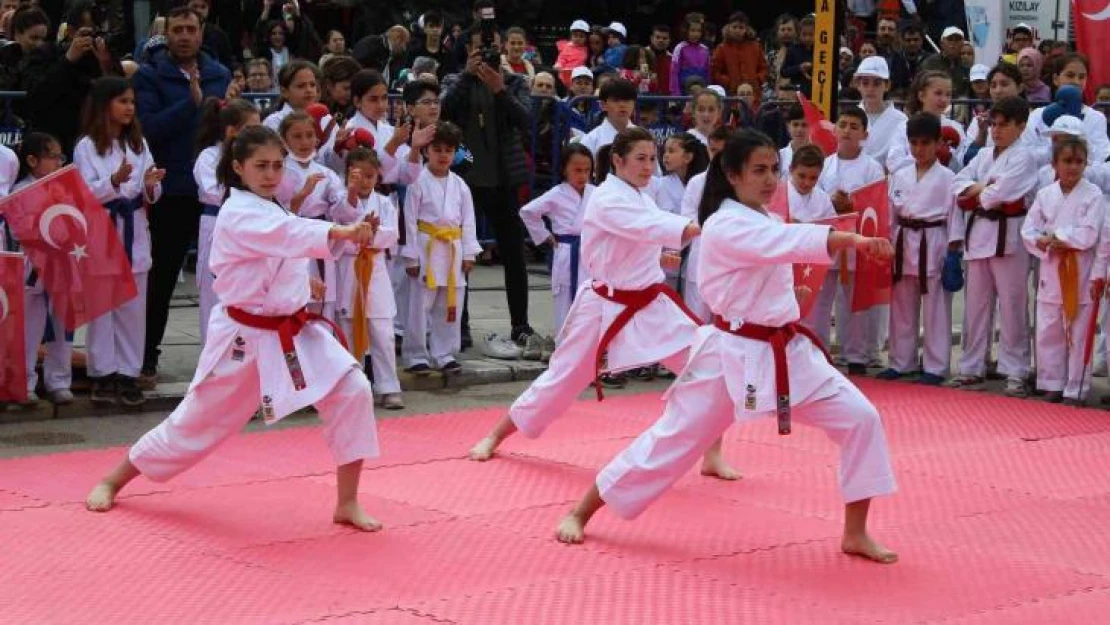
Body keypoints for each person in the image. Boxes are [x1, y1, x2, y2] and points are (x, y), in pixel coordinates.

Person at [553, 129, 898, 565]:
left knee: (861, 419)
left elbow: (784, 238)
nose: (771, 180)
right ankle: (581, 511)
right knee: (670, 441)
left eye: (775, 169)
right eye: (759, 170)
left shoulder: (767, 220)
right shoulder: (724, 225)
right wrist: (851, 240)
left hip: (786, 351)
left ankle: (855, 533)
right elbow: (784, 244)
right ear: (732, 175)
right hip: (730, 355)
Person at [84, 125, 384, 533]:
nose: (271, 173)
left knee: (354, 390)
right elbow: (284, 236)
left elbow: (281, 249)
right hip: (244, 337)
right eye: (261, 166)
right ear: (239, 168)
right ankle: (113, 479)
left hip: (292, 330)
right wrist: (339, 230)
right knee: (195, 423)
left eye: (278, 165)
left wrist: (301, 282)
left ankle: (347, 501)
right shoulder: (238, 211)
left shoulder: (273, 207)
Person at [468, 127, 739, 482]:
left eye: (652, 159)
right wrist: (697, 229)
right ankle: (495, 436)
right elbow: (650, 225)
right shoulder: (608, 199)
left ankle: (711, 453)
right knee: (561, 380)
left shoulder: (640, 193)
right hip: (603, 307)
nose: (648, 167)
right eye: (640, 159)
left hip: (650, 304)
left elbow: (656, 225)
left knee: (709, 366)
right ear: (617, 160)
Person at [135, 6, 231, 388]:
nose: (185, 35)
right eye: (178, 29)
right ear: (166, 33)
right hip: (172, 189)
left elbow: (225, 129)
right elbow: (148, 129)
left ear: (202, 33)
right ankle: (146, 359)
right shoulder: (149, 75)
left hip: (216, 194)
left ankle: (223, 360)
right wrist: (190, 103)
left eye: (191, 29)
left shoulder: (218, 74)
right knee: (161, 279)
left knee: (222, 282)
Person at [74, 77, 166, 407]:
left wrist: (152, 185)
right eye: (122, 101)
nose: (129, 107)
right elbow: (83, 192)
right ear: (104, 105)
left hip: (135, 228)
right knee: (103, 308)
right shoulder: (87, 146)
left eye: (131, 102)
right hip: (102, 229)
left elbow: (149, 189)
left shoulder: (138, 146)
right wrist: (112, 182)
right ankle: (103, 374)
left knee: (132, 307)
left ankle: (128, 373)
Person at [441, 27, 535, 345]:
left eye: (493, 49)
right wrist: (469, 77)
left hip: (504, 178)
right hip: (466, 179)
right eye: (481, 50)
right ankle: (461, 327)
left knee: (513, 253)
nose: (488, 56)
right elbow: (443, 111)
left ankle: (520, 324)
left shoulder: (514, 82)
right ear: (468, 50)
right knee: (463, 255)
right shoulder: (456, 82)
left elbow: (526, 120)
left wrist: (500, 90)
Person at [948, 96, 1038, 396]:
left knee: (1012, 306)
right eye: (994, 125)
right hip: (979, 235)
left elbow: (1002, 194)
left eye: (1004, 125)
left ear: (1021, 127)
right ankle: (972, 365)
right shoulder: (985, 155)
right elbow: (958, 185)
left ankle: (1016, 370)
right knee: (976, 306)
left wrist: (979, 192)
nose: (997, 131)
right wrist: (983, 190)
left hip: (1008, 238)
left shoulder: (1024, 157)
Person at [878, 113, 962, 384]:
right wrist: (886, 244)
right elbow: (890, 213)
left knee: (936, 307)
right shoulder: (900, 175)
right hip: (903, 241)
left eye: (925, 143)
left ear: (938, 142)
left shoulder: (949, 177)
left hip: (934, 241)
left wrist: (953, 252)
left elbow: (954, 216)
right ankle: (901, 362)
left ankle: (936, 366)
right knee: (902, 305)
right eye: (913, 143)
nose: (919, 149)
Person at [1023, 136, 1104, 404]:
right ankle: (1052, 383)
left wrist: (1057, 236)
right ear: (1054, 164)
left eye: (1079, 162)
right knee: (1049, 329)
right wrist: (1042, 241)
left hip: (1080, 269)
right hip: (1051, 267)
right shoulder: (1046, 194)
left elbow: (1090, 232)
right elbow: (1028, 229)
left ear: (1086, 164)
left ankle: (1075, 388)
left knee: (1078, 332)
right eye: (1067, 161)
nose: (1073, 167)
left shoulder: (1093, 195)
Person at [400, 121, 481, 374]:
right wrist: (411, 257)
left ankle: (444, 353)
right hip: (427, 245)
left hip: (453, 247)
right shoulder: (417, 182)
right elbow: (409, 220)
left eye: (449, 150)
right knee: (419, 305)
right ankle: (415, 355)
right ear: (426, 151)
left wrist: (469, 252)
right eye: (438, 149)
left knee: (450, 303)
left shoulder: (460, 185)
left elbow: (469, 220)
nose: (443, 155)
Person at [7, 132, 73, 407]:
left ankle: (58, 381)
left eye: (61, 156)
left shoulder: (66, 188)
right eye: (53, 156)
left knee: (63, 325)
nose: (58, 162)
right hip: (32, 266)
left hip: (62, 265)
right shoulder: (19, 191)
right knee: (29, 328)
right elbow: (17, 229)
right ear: (32, 160)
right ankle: (26, 382)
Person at [336, 147, 404, 410]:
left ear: (378, 176)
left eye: (369, 175)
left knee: (382, 332)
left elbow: (391, 235)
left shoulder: (385, 203)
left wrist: (371, 234)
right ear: (347, 175)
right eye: (357, 175)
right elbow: (339, 227)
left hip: (374, 268)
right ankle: (353, 387)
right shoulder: (340, 200)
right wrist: (359, 228)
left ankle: (388, 387)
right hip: (348, 268)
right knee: (348, 329)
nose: (364, 181)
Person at [818, 107, 885, 375]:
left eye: (853, 126)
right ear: (834, 130)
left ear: (864, 134)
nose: (847, 130)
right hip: (828, 239)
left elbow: (877, 202)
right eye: (842, 125)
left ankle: (855, 354)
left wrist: (852, 203)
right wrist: (830, 203)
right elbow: (812, 197)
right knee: (822, 301)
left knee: (854, 301)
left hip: (857, 240)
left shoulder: (872, 167)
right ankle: (819, 351)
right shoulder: (824, 165)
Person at [193, 98, 261, 345]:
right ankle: (211, 360)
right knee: (214, 294)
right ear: (232, 131)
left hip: (247, 227)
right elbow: (214, 191)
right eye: (251, 128)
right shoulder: (209, 156)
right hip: (217, 222)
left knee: (243, 292)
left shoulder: (253, 157)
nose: (257, 134)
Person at [518, 144, 595, 340]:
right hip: (566, 251)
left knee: (590, 301)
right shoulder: (557, 193)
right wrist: (545, 235)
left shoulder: (595, 193)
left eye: (587, 170)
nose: (583, 175)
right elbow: (527, 212)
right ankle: (563, 347)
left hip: (589, 252)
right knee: (565, 300)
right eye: (577, 170)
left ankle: (587, 347)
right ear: (564, 169)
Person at [681, 126, 735, 321]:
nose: (718, 156)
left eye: (723, 151)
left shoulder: (740, 182)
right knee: (697, 321)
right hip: (702, 256)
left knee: (728, 324)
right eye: (713, 150)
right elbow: (687, 218)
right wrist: (713, 231)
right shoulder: (697, 182)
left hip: (730, 260)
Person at [1021, 54, 1110, 168]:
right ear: (1056, 79)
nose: (1076, 82)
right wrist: (1055, 145)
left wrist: (1078, 140)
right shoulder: (1037, 115)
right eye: (1070, 75)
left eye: (1082, 77)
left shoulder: (1096, 117)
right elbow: (1026, 154)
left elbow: (1102, 157)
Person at [886, 71, 967, 174]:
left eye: (948, 94)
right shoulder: (904, 127)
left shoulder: (955, 128)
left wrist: (950, 157)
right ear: (921, 96)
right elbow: (893, 164)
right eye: (938, 93)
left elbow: (962, 168)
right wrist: (927, 155)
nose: (944, 99)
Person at [855, 56, 907, 168]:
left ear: (887, 86)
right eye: (865, 83)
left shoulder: (901, 120)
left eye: (877, 83)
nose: (870, 89)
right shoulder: (850, 117)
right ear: (858, 85)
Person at [710, 11, 766, 105]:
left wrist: (757, 80)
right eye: (734, 27)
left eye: (741, 27)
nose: (737, 30)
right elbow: (715, 71)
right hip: (731, 93)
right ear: (729, 28)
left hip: (753, 92)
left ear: (746, 29)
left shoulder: (755, 46)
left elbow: (763, 67)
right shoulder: (722, 48)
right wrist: (729, 82)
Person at [921, 26, 970, 98]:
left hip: (961, 103)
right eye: (950, 39)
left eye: (957, 40)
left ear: (963, 43)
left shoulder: (967, 62)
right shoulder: (930, 63)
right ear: (942, 43)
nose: (953, 43)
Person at [669, 14, 709, 96]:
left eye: (699, 31)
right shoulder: (680, 48)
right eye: (692, 30)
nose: (696, 34)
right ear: (686, 30)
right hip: (684, 92)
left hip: (702, 91)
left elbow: (708, 73)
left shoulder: (705, 49)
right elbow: (674, 73)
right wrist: (676, 94)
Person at [778, 104, 809, 180]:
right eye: (795, 125)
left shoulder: (820, 157)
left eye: (804, 125)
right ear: (788, 126)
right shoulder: (779, 156)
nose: (799, 129)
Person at [648, 24, 672, 96]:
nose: (661, 40)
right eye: (657, 37)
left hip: (667, 99)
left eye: (664, 38)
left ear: (669, 40)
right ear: (651, 38)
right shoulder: (641, 56)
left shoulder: (673, 59)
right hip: (646, 99)